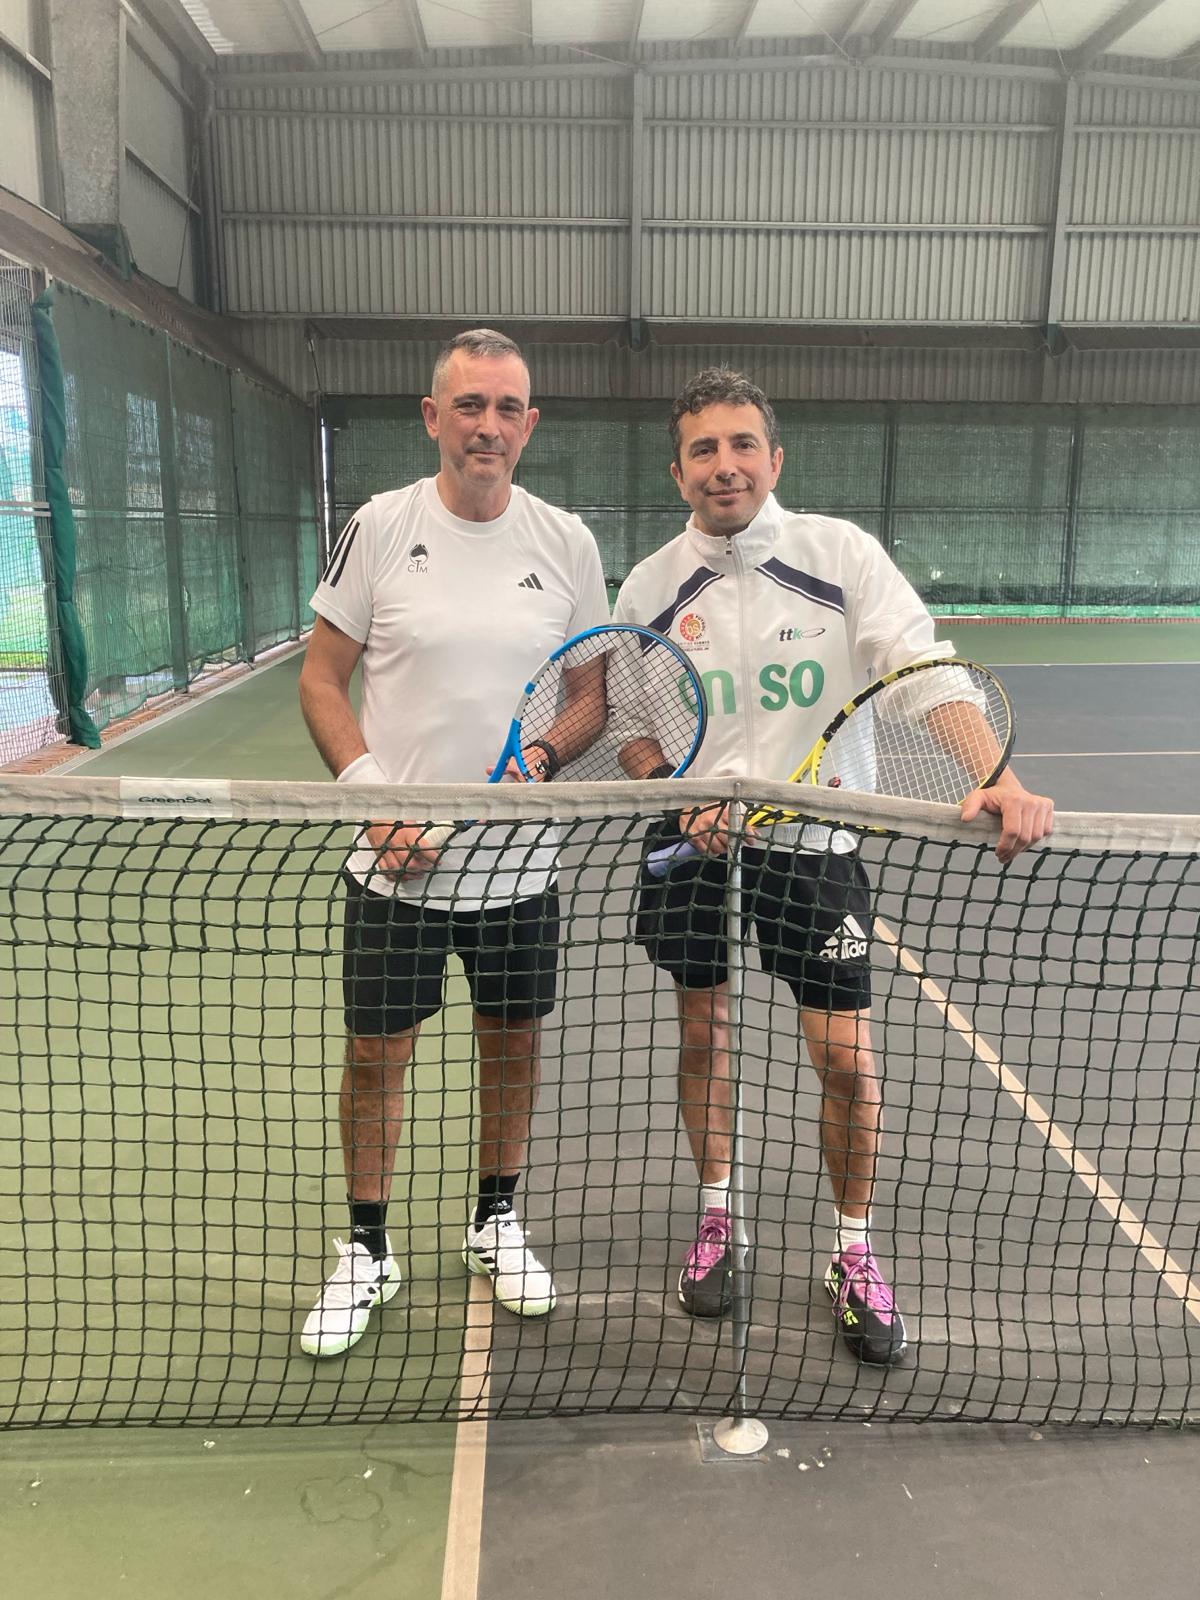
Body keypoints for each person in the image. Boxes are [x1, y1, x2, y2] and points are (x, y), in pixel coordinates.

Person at [613, 368, 1054, 1364]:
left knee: (847, 1063)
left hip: (815, 848)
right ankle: (718, 1214)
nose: (724, 464)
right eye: (702, 449)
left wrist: (996, 776)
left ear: (775, 459)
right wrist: (676, 791)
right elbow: (635, 725)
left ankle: (852, 1251)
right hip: (696, 846)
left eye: (742, 444)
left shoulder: (840, 556)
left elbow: (921, 672)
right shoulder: (648, 586)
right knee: (705, 1033)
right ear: (678, 471)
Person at [298, 329, 609, 1358]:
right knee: (375, 1054)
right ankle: (366, 1248)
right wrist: (372, 803)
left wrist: (545, 754)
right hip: (391, 871)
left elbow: (589, 696)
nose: (488, 425)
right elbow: (321, 679)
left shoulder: (567, 543)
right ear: (434, 417)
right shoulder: (380, 526)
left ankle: (495, 1220)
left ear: (530, 424)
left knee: (512, 1046)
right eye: (469, 405)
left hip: (520, 869)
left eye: (507, 407)